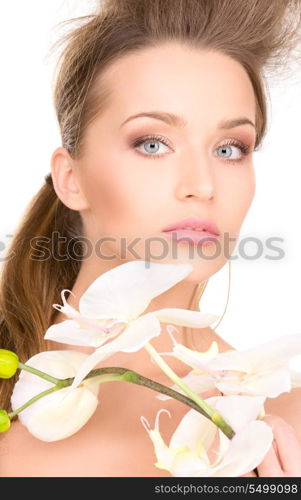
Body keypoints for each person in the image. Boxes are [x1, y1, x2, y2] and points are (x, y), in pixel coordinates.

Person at [1, 0, 301, 477]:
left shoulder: (283, 425)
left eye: (229, 149)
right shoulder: (13, 396)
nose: (202, 184)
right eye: (153, 144)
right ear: (71, 177)